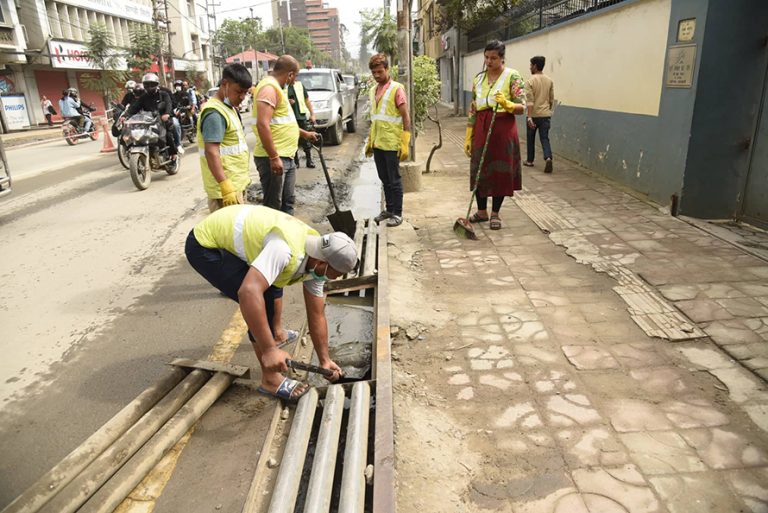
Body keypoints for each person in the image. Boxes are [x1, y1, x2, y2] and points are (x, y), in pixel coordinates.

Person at [185, 204, 358, 401]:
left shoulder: (315, 253)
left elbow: (316, 313)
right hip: (206, 245)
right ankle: (270, 379)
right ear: (322, 263)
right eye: (334, 274)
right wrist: (269, 351)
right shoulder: (284, 250)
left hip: (235, 229)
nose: (334, 279)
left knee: (276, 277)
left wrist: (325, 360)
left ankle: (276, 335)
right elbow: (249, 293)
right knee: (261, 302)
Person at [463, 40, 525, 231]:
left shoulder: (512, 76)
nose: (489, 62)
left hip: (503, 128)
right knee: (479, 169)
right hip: (481, 127)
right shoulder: (479, 79)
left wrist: (507, 104)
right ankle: (482, 211)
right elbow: (474, 107)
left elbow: (522, 106)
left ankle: (495, 213)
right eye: (487, 57)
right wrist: (469, 133)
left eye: (494, 58)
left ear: (502, 58)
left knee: (500, 170)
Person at [252, 55, 319, 215]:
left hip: (286, 156)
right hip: (275, 158)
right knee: (274, 208)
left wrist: (305, 134)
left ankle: (287, 238)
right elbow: (263, 124)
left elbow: (284, 123)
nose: (294, 81)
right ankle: (273, 239)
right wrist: (274, 157)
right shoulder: (269, 89)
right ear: (290, 74)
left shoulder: (279, 90)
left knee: (288, 203)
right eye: (294, 76)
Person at [197, 63, 252, 212]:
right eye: (238, 91)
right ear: (224, 84)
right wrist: (225, 185)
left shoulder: (229, 108)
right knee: (229, 234)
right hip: (226, 192)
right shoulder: (215, 113)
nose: (242, 97)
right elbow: (211, 152)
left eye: (245, 93)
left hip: (235, 187)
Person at [365, 53, 411, 228]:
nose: (376, 75)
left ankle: (397, 214)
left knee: (394, 179)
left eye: (379, 72)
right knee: (384, 178)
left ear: (387, 69)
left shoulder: (396, 89)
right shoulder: (372, 90)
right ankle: (389, 209)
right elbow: (375, 118)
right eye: (374, 73)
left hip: (392, 142)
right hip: (378, 142)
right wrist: (371, 140)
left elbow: (405, 116)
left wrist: (405, 140)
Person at [126, 73, 178, 160]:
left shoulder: (163, 94)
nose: (149, 86)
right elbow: (134, 107)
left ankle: (173, 153)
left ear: (156, 84)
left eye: (152, 84)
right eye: (147, 84)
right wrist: (126, 115)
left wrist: (167, 114)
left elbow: (169, 104)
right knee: (139, 135)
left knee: (167, 134)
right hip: (149, 120)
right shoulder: (143, 97)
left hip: (162, 119)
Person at [524, 55, 555, 173]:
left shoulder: (530, 81)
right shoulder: (549, 80)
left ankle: (530, 161)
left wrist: (530, 117)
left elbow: (530, 102)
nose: (530, 67)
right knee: (544, 138)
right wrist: (548, 111)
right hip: (545, 115)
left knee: (530, 139)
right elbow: (551, 99)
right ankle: (548, 158)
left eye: (531, 65)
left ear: (535, 66)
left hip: (534, 115)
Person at [287, 74, 316, 168]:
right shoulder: (284, 87)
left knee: (306, 140)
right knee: (293, 140)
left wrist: (312, 114)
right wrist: (288, 101)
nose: (295, 78)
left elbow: (307, 100)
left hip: (301, 116)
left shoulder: (299, 85)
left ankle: (309, 160)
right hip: (290, 118)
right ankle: (295, 162)